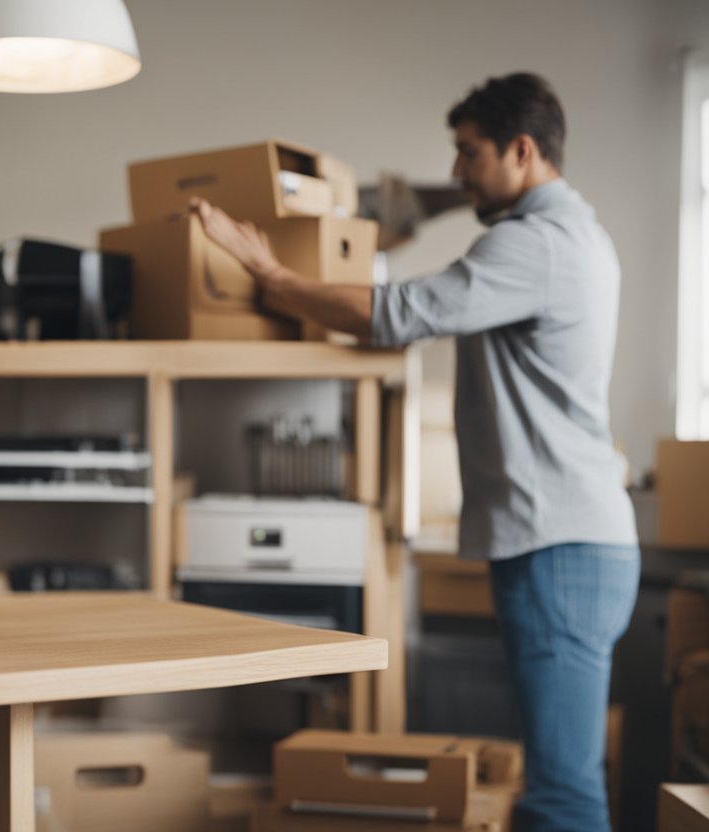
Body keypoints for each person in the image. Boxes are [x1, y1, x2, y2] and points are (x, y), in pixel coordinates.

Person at [191, 72, 639, 832]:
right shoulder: (576, 238)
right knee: (561, 782)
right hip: (570, 540)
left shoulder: (537, 246)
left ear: (522, 151)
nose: (457, 171)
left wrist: (270, 274)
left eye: (468, 153)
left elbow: (400, 313)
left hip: (562, 546)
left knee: (562, 795)